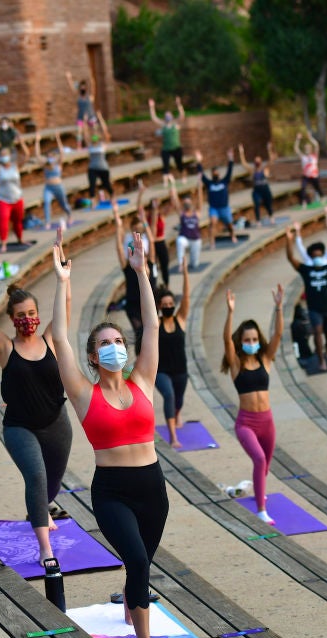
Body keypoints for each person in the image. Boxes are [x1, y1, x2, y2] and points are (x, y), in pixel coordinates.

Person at [50, 231, 167, 638]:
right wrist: (62, 282)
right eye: (104, 344)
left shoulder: (142, 381)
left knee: (143, 565)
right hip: (113, 491)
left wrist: (140, 272)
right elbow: (59, 336)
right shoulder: (82, 392)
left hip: (152, 488)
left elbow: (152, 326)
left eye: (118, 340)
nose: (114, 347)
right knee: (136, 561)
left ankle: (132, 601)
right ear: (93, 356)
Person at [0, 228, 73, 563]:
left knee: (51, 485)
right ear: (13, 320)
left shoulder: (52, 340)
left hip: (56, 422)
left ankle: (41, 508)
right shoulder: (5, 348)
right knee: (36, 476)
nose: (28, 320)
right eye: (21, 316)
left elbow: (65, 307)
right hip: (20, 427)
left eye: (32, 314)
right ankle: (44, 547)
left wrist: (61, 275)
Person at [222, 284, 284, 524]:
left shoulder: (266, 359)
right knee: (259, 460)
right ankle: (261, 509)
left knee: (265, 466)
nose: (252, 342)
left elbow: (278, 335)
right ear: (242, 341)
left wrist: (278, 308)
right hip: (246, 423)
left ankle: (252, 489)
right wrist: (230, 312)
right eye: (247, 339)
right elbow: (226, 339)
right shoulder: (236, 364)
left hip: (267, 421)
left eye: (255, 339)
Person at [285, 222, 327, 371]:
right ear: (310, 257)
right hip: (314, 309)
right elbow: (291, 258)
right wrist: (289, 240)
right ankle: (321, 359)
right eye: (314, 255)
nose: (317, 257)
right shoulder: (306, 269)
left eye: (319, 254)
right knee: (317, 331)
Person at [113, 199, 156, 357]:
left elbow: (151, 241)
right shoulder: (128, 267)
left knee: (150, 331)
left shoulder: (150, 263)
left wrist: (145, 222)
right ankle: (141, 357)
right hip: (132, 305)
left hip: (149, 303)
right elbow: (119, 247)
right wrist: (118, 226)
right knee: (140, 331)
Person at [155, 262, 190, 449]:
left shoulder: (180, 320)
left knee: (179, 400)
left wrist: (185, 274)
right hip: (161, 370)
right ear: (160, 306)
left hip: (180, 369)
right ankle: (173, 437)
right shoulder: (155, 323)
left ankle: (177, 414)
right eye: (165, 304)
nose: (168, 306)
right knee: (169, 395)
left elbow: (186, 298)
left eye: (171, 304)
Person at [196, 149, 235, 247]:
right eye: (213, 172)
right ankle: (212, 242)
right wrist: (199, 161)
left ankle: (232, 235)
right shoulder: (209, 184)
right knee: (213, 223)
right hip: (214, 208)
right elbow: (202, 175)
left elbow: (230, 171)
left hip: (224, 207)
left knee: (229, 224)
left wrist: (230, 159)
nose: (215, 174)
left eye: (216, 172)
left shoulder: (224, 181)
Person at [37, 132, 72, 228]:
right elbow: (38, 155)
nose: (50, 157)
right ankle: (48, 222)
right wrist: (37, 141)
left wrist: (57, 138)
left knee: (64, 204)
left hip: (58, 186)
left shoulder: (58, 163)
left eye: (51, 156)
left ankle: (69, 215)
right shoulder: (45, 165)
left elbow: (61, 152)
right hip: (48, 187)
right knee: (47, 202)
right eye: (48, 156)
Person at [149, 96, 185, 186]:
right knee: (165, 165)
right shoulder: (163, 125)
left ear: (172, 116)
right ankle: (165, 181)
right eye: (166, 116)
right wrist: (152, 107)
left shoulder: (175, 123)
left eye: (169, 115)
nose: (167, 117)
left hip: (176, 147)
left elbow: (182, 116)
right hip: (166, 149)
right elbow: (154, 118)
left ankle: (183, 177)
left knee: (179, 164)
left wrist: (179, 104)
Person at [139, 182, 169, 287]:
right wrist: (140, 194)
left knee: (165, 265)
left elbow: (172, 204)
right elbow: (139, 208)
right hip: (151, 244)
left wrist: (170, 188)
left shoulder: (162, 216)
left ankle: (166, 284)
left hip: (160, 242)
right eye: (153, 204)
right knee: (152, 265)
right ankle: (154, 286)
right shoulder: (147, 216)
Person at [238, 142, 276, 225]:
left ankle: (271, 217)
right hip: (257, 190)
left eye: (258, 161)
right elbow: (244, 163)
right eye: (256, 161)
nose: (257, 162)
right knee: (256, 204)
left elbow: (271, 159)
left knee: (268, 204)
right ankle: (258, 220)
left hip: (265, 189)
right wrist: (241, 152)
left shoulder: (264, 168)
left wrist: (269, 149)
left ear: (261, 162)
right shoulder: (252, 170)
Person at [169, 177, 202, 270]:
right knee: (179, 241)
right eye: (185, 203)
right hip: (185, 239)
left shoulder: (197, 213)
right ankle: (181, 264)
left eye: (188, 202)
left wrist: (199, 187)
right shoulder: (182, 213)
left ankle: (191, 261)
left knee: (194, 264)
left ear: (191, 203)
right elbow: (175, 201)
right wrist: (173, 184)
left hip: (195, 240)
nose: (187, 204)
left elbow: (200, 200)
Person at [86, 113, 113, 203]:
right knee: (92, 185)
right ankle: (93, 202)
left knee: (106, 184)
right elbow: (85, 133)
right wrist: (85, 121)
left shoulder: (102, 145)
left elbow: (105, 131)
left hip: (103, 168)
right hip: (92, 168)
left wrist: (101, 118)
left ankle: (112, 197)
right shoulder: (90, 145)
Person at [65, 71, 95, 149]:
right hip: (80, 116)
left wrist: (92, 80)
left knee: (93, 131)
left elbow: (93, 88)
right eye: (81, 86)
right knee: (79, 132)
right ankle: (79, 146)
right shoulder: (78, 97)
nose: (82, 88)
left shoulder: (90, 97)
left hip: (90, 116)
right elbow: (72, 88)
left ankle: (95, 143)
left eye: (84, 86)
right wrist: (69, 78)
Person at [294, 130, 321, 205]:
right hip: (306, 176)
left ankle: (320, 198)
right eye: (306, 147)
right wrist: (298, 140)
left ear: (311, 148)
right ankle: (303, 201)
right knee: (303, 188)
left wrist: (310, 138)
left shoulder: (314, 156)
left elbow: (316, 145)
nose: (307, 149)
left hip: (314, 176)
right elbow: (296, 149)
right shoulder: (303, 157)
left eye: (308, 147)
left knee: (318, 188)